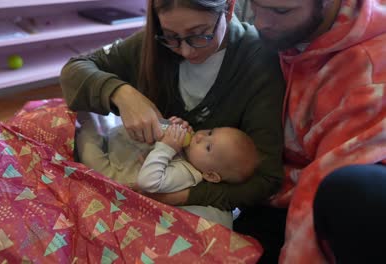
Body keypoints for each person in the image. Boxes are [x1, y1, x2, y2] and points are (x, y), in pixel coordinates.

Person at [61, 0, 285, 244]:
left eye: (199, 35)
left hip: (188, 202)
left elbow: (266, 179)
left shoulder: (258, 60)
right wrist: (122, 93)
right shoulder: (153, 44)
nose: (187, 51)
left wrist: (181, 196)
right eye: (171, 37)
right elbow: (75, 69)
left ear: (229, 9)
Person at [244, 0, 386, 263]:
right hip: (288, 183)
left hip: (346, 194)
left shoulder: (369, 68)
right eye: (254, 5)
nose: (260, 22)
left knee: (351, 193)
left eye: (280, 10)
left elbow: (321, 181)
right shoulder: (290, 30)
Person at [77, 115, 259, 194]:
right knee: (105, 122)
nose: (201, 136)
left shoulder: (188, 174)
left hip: (114, 175)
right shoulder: (191, 152)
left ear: (210, 175)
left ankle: (84, 122)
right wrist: (171, 125)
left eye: (208, 147)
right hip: (122, 153)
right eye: (211, 132)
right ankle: (94, 122)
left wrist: (167, 148)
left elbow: (148, 182)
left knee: (87, 138)